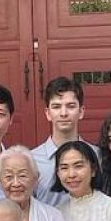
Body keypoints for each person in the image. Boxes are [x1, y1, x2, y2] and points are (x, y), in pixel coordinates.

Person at [31, 76, 97, 207]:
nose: (63, 113)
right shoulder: (31, 160)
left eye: (70, 106)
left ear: (81, 111)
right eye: (56, 107)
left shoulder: (98, 155)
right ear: (48, 113)